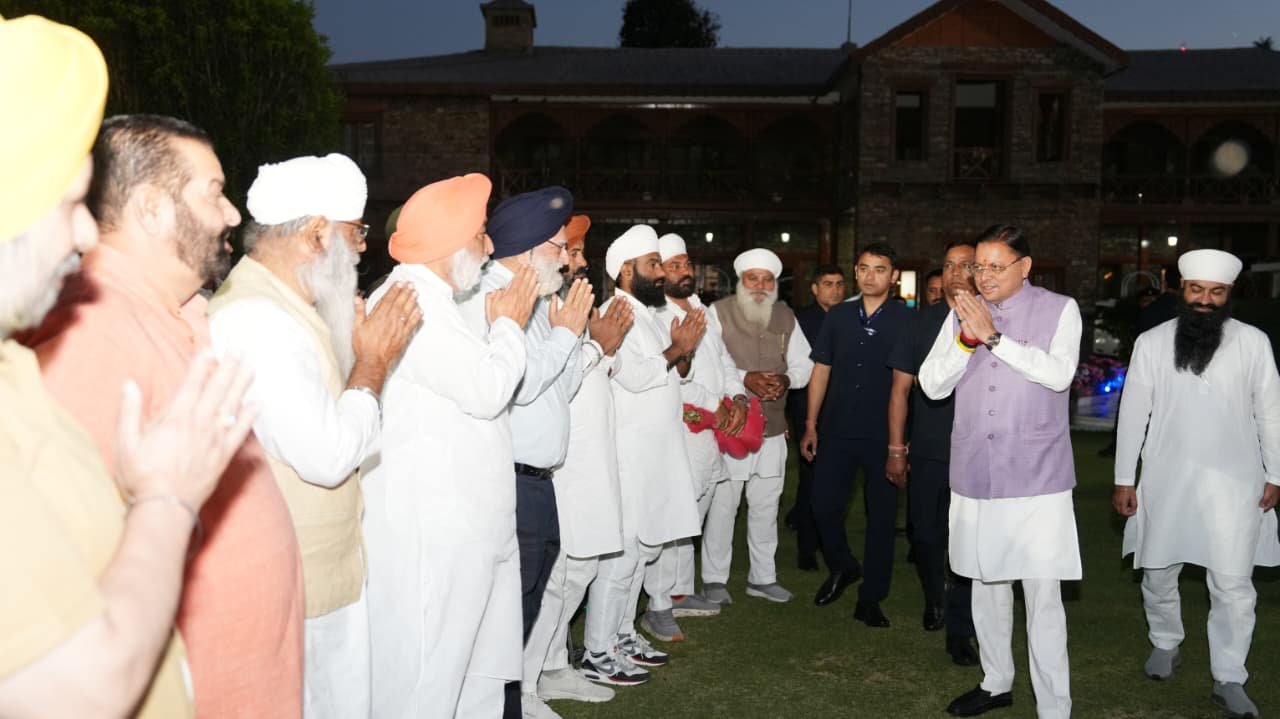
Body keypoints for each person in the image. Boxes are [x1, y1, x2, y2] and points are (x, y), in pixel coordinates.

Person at [0, 15, 255, 717]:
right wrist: (166, 498)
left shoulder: (12, 364)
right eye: (68, 203)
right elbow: (80, 688)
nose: (87, 231)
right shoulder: (84, 332)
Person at [26, 113, 305, 718]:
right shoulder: (89, 331)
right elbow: (73, 573)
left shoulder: (171, 311)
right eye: (214, 192)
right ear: (152, 209)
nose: (232, 213)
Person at [207, 154, 421, 719]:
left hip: (318, 575)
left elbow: (323, 408)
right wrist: (373, 363)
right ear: (317, 233)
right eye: (356, 232)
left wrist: (355, 350)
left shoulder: (289, 307)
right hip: (292, 583)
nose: (362, 248)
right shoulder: (258, 320)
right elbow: (327, 456)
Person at [362, 174, 539, 717]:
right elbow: (486, 390)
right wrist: (509, 326)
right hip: (435, 533)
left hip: (470, 526)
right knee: (430, 680)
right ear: (451, 243)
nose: (489, 247)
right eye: (481, 234)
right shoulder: (409, 301)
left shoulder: (437, 300)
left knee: (478, 673)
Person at [918, 225, 1082, 719]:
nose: (983, 276)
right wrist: (966, 340)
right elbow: (931, 385)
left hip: (1037, 475)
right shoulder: (961, 311)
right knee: (986, 585)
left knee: (1042, 594)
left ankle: (1054, 706)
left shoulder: (1061, 309)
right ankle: (995, 682)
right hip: (975, 470)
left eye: (995, 266)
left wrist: (994, 337)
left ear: (1024, 267)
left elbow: (1058, 375)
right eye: (978, 266)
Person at [1113, 248, 1280, 719]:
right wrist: (1124, 478)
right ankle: (1165, 642)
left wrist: (1276, 473)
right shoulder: (1152, 342)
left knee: (1233, 582)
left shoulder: (1253, 342)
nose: (1205, 300)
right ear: (1181, 290)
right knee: (1157, 570)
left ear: (1229, 294)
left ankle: (1229, 676)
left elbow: (1270, 412)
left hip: (1235, 482)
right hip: (1166, 478)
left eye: (1216, 292)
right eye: (1197, 290)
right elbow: (1133, 413)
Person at [455, 186, 596, 719]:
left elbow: (559, 387)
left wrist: (572, 338)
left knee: (527, 603)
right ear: (529, 247)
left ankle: (509, 704)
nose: (566, 257)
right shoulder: (491, 297)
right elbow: (522, 383)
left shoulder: (533, 298)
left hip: (538, 479)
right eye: (559, 247)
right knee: (507, 610)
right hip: (509, 478)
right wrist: (566, 336)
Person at [581, 225, 703, 684]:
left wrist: (682, 351)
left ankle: (622, 635)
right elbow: (632, 375)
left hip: (656, 452)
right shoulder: (616, 312)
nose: (661, 273)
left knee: (644, 551)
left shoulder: (648, 313)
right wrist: (678, 348)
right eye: (653, 264)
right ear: (625, 271)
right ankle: (597, 651)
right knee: (623, 556)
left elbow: (672, 371)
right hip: (629, 453)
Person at [527, 214, 635, 703]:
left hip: (590, 452)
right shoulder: (534, 309)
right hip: (561, 462)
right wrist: (595, 345)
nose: (580, 261)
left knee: (581, 568)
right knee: (557, 576)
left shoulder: (567, 303)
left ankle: (553, 666)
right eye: (571, 251)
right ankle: (528, 681)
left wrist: (599, 346)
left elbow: (598, 370)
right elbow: (551, 384)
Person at [801, 243, 910, 626]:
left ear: (893, 276)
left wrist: (899, 444)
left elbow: (907, 385)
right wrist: (811, 423)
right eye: (863, 268)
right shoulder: (839, 316)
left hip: (884, 433)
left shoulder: (906, 319)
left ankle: (871, 598)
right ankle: (843, 564)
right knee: (821, 504)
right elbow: (821, 370)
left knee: (881, 518)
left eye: (879, 269)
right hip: (837, 428)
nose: (869, 276)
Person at [885, 240, 979, 664]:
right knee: (925, 533)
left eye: (966, 265)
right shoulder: (920, 323)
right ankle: (933, 595)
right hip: (927, 447)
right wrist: (896, 448)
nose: (956, 272)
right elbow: (899, 390)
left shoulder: (995, 321)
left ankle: (959, 623)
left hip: (977, 450)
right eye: (949, 265)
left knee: (967, 538)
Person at [703, 248, 814, 604]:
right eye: (753, 278)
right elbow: (708, 365)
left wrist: (786, 380)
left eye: (767, 280)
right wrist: (745, 377)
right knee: (724, 506)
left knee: (767, 506)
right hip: (732, 428)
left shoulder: (785, 315)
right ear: (741, 281)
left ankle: (763, 578)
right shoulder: (717, 312)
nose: (760, 286)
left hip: (773, 428)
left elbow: (805, 364)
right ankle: (714, 579)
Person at [653, 233, 749, 626]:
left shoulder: (701, 308)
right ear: (659, 272)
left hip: (712, 430)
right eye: (674, 265)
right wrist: (716, 404)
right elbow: (673, 378)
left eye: (686, 263)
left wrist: (738, 397)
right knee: (675, 514)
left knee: (694, 515)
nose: (684, 271)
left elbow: (723, 359)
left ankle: (681, 590)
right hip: (681, 428)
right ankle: (663, 597)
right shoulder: (655, 314)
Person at [786, 263, 845, 570]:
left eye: (839, 284)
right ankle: (807, 547)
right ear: (814, 288)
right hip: (806, 407)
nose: (834, 290)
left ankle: (830, 539)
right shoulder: (801, 321)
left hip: (842, 408)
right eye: (828, 284)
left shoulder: (850, 318)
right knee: (810, 477)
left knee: (837, 479)